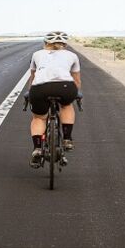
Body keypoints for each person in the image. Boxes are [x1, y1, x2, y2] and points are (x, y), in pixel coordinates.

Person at [28, 31, 82, 168]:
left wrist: (30, 93)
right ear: (65, 44)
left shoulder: (37, 54)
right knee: (66, 106)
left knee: (39, 118)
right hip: (66, 86)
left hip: (40, 88)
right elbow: (77, 80)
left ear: (46, 43)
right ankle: (67, 139)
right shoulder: (72, 56)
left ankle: (38, 149)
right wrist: (76, 94)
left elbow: (33, 77)